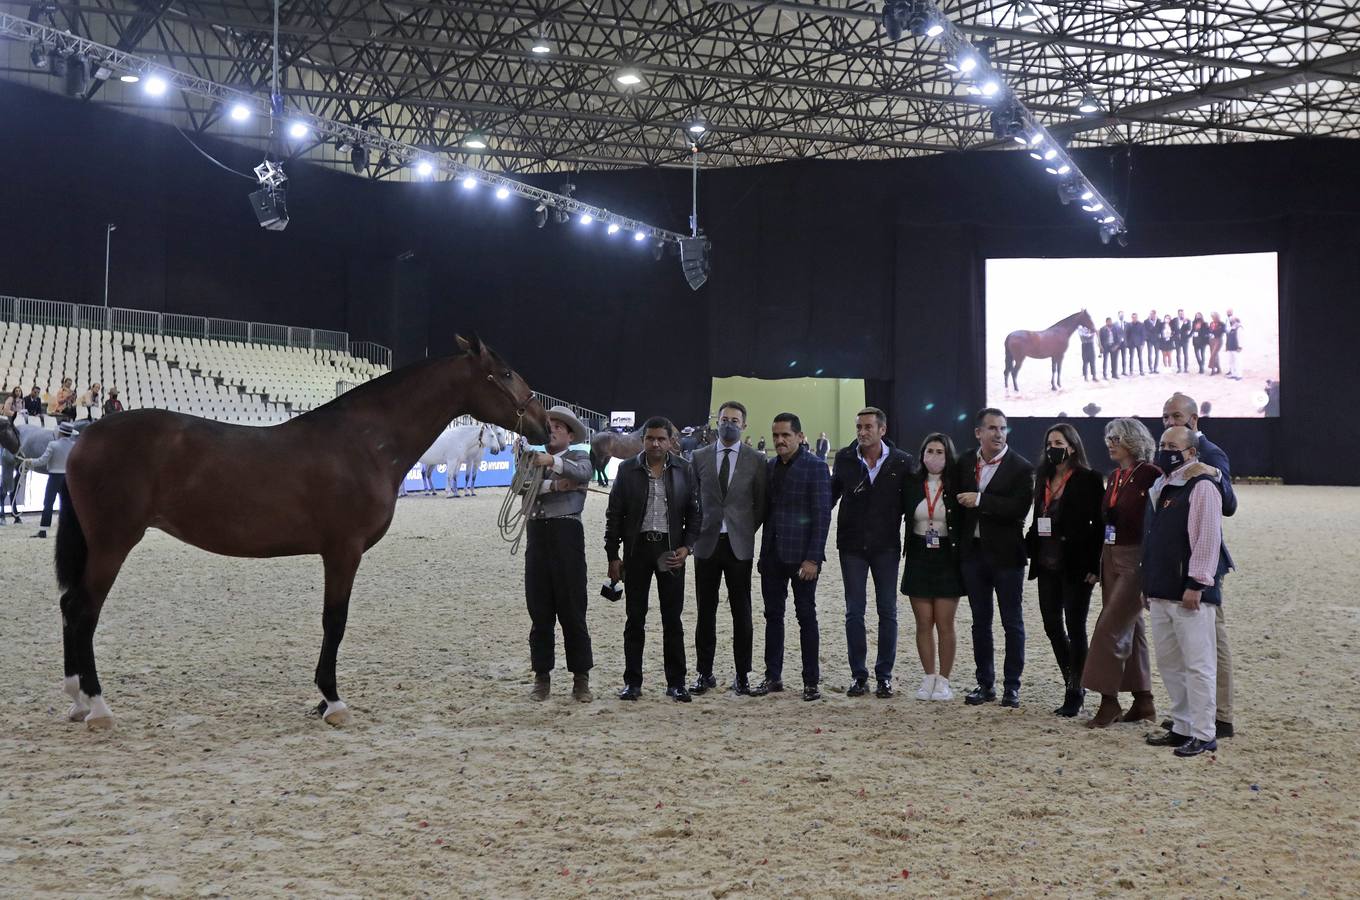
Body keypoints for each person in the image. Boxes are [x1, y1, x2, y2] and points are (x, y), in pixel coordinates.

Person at [605, 417, 701, 702]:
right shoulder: (626, 470)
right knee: (635, 619)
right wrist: (613, 555)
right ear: (643, 440)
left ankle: (677, 683)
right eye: (650, 438)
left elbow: (696, 514)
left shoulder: (685, 469)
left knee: (673, 619)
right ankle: (632, 683)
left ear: (671, 440)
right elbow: (614, 515)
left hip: (671, 552)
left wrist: (687, 548)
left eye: (661, 438)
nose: (655, 443)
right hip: (637, 552)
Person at [1143, 425, 1223, 758]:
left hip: (1188, 592)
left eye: (1172, 445)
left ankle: (1204, 732)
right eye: (1162, 444)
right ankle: (1182, 725)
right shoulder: (1163, 485)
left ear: (1190, 452)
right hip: (1161, 590)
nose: (1165, 450)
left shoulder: (1202, 486)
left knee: (1198, 663)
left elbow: (1207, 538)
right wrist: (1148, 584)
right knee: (1170, 663)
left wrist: (1197, 583)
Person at [1162, 393, 1237, 739]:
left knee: (1210, 641)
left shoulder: (1210, 452)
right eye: (1165, 417)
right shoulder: (1167, 451)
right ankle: (1192, 714)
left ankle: (1220, 716)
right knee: (1183, 645)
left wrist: (1213, 475)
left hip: (1204, 562)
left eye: (1175, 416)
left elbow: (1229, 505)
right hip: (1177, 559)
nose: (1169, 422)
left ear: (1194, 420)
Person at [1083, 418, 1161, 728]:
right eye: (1108, 438)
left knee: (1108, 627)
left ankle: (1109, 699)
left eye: (1116, 437)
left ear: (1133, 439)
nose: (1110, 443)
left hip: (1136, 558)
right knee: (1133, 628)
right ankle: (1143, 700)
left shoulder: (1151, 475)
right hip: (1110, 555)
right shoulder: (1115, 476)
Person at [830, 407, 912, 698]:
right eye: (858, 427)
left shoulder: (903, 462)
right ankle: (858, 675)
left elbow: (911, 507)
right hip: (851, 546)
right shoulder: (843, 458)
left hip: (886, 547)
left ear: (882, 430)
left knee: (887, 611)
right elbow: (830, 496)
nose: (862, 432)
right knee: (854, 611)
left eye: (867, 427)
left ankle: (884, 676)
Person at [956, 408, 1035, 708]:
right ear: (978, 433)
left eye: (1002, 428)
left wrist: (980, 500)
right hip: (973, 555)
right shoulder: (965, 462)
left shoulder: (1021, 467)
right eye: (991, 428)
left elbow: (1018, 509)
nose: (998, 434)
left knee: (1012, 623)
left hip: (1007, 557)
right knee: (980, 623)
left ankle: (1011, 687)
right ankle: (984, 683)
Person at [1025, 423, 1104, 717]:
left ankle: (1074, 689)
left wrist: (1095, 565)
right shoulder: (1042, 477)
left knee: (1075, 624)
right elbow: (1039, 516)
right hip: (1046, 562)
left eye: (1058, 442)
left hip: (1076, 564)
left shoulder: (1089, 479)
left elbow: (1099, 525)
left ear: (1072, 446)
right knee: (1051, 624)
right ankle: (1073, 677)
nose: (1052, 448)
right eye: (1049, 443)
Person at [690, 401, 767, 696]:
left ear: (744, 425)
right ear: (717, 422)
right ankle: (704, 673)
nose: (729, 424)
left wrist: (745, 529)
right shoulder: (698, 457)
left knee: (741, 612)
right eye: (724, 419)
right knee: (704, 613)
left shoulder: (756, 459)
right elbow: (693, 500)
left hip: (739, 546)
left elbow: (760, 504)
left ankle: (742, 674)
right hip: (706, 544)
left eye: (735, 420)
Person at [753, 413, 832, 701]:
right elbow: (767, 512)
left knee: (806, 616)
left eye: (785, 435)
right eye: (776, 436)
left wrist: (813, 559)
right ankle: (772, 677)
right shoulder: (770, 466)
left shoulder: (817, 467)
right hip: (773, 555)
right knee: (773, 616)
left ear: (800, 437)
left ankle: (811, 681)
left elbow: (822, 516)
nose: (779, 440)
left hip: (802, 558)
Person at [521, 406, 595, 702]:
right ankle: (542, 677)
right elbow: (521, 486)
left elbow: (582, 474)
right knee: (539, 610)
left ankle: (581, 677)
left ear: (570, 434)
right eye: (548, 426)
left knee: (572, 609)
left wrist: (550, 462)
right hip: (538, 534)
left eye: (557, 427)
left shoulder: (579, 456)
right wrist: (555, 485)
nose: (551, 430)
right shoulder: (530, 459)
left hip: (567, 535)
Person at [902, 433, 966, 702]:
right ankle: (928, 676)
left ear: (948, 455)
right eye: (930, 450)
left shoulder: (956, 485)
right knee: (923, 622)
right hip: (918, 554)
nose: (935, 456)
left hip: (947, 558)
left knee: (944, 623)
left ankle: (944, 680)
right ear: (922, 454)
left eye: (940, 451)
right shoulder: (913, 483)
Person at [26, 420, 77, 539]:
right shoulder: (74, 445)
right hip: (67, 478)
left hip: (54, 477)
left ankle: (43, 529)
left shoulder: (53, 445)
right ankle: (69, 530)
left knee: (48, 503)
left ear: (60, 433)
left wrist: (30, 462)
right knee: (67, 504)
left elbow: (42, 460)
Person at [1172, 309, 1191, 373]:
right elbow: (1171, 328)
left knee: (1185, 354)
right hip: (1177, 340)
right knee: (1178, 354)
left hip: (1185, 340)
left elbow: (1189, 328)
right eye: (1180, 313)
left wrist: (1185, 323)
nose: (1181, 314)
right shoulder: (1174, 320)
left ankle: (1186, 368)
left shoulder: (1188, 320)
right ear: (1178, 314)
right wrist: (1173, 335)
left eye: (1182, 313)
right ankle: (1179, 368)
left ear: (1184, 313)